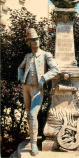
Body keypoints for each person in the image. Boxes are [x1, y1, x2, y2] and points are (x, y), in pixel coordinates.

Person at [18, 28, 59, 156]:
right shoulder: (28, 56)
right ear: (29, 42)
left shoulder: (46, 54)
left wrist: (44, 77)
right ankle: (32, 139)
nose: (35, 42)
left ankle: (34, 144)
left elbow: (55, 69)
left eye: (37, 39)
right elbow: (20, 67)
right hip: (26, 88)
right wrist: (20, 77)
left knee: (32, 114)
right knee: (29, 115)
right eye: (32, 40)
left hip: (37, 89)